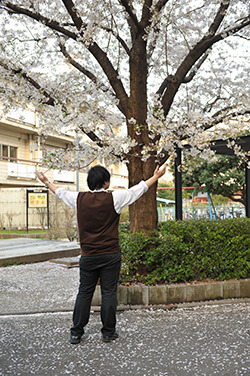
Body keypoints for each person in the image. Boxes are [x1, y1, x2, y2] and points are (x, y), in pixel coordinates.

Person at [36, 163, 166, 344]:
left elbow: (60, 192)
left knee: (84, 292)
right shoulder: (116, 198)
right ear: (106, 182)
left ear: (90, 182)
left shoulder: (78, 199)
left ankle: (76, 332)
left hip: (88, 255)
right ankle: (108, 332)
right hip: (110, 254)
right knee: (109, 292)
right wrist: (156, 176)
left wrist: (46, 181)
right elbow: (139, 189)